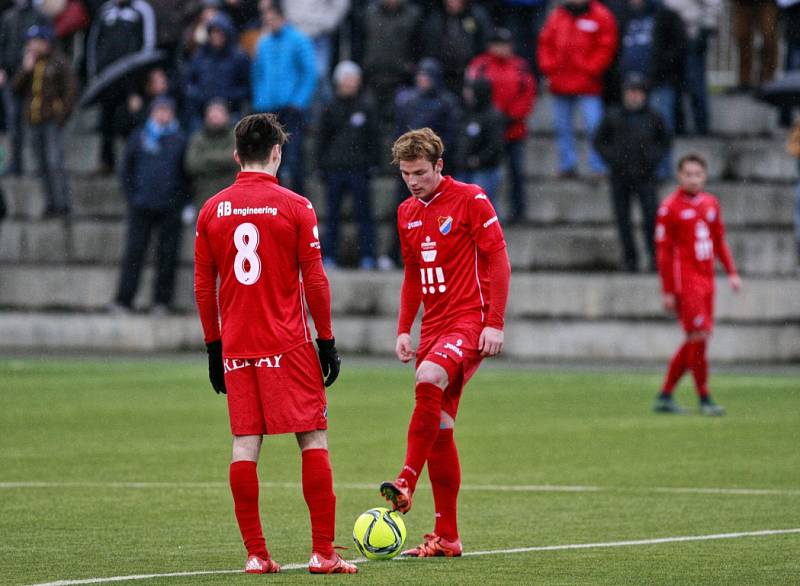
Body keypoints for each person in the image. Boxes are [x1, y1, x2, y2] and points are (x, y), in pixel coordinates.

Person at [193, 113, 356, 575]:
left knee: (245, 445)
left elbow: (204, 287)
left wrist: (213, 346)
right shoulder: (296, 206)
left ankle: (256, 554)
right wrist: (326, 341)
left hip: (238, 347)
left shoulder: (212, 210)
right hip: (288, 342)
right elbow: (316, 280)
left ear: (235, 156)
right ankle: (323, 553)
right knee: (312, 438)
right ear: (277, 153)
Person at [379, 128, 511, 557]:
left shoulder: (471, 199)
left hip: (469, 320)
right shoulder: (406, 213)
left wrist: (494, 322)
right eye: (405, 174)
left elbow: (498, 259)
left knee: (429, 374)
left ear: (439, 165)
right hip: (434, 326)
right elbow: (413, 275)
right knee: (440, 427)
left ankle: (405, 481)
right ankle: (447, 537)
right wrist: (404, 328)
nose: (413, 181)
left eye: (420, 172)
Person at [653, 153, 741, 416]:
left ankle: (665, 394)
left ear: (705, 176)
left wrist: (732, 272)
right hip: (685, 282)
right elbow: (664, 252)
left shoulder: (711, 203)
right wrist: (668, 290)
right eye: (688, 174)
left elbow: (719, 241)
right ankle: (704, 397)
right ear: (679, 176)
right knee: (699, 338)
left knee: (695, 340)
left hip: (706, 280)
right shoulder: (669, 208)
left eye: (697, 174)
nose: (693, 179)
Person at [114, 97, 188, 313]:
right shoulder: (139, 137)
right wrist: (132, 197)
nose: (163, 115)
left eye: (167, 111)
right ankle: (124, 300)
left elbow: (186, 174)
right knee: (134, 254)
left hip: (170, 207)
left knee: (167, 256)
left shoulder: (180, 139)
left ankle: (162, 301)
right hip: (141, 205)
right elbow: (126, 169)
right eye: (159, 110)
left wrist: (180, 202)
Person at [594, 73, 671, 271]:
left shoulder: (654, 117)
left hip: (646, 176)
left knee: (651, 219)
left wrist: (652, 160)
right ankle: (630, 260)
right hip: (620, 176)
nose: (634, 96)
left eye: (638, 92)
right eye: (631, 92)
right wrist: (613, 160)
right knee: (623, 221)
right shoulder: (613, 115)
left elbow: (665, 141)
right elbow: (599, 141)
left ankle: (654, 258)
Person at [537, 0, 618, 178]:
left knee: (594, 127)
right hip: (561, 82)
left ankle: (598, 166)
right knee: (562, 127)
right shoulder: (557, 15)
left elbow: (606, 46)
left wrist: (590, 69)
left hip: (588, 84)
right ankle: (567, 165)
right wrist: (550, 68)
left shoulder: (600, 15)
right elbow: (545, 43)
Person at [467, 27, 535, 222]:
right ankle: (484, 215)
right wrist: (493, 119)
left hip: (514, 128)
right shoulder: (480, 65)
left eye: (506, 44)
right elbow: (474, 94)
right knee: (487, 174)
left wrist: (512, 116)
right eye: (499, 44)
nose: (504, 48)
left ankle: (518, 212)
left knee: (516, 172)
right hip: (488, 132)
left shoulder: (519, 66)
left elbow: (528, 92)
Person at [317, 60, 379, 269]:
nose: (351, 84)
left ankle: (368, 256)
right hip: (335, 169)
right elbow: (321, 139)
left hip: (359, 169)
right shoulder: (330, 107)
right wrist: (322, 166)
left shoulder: (367, 106)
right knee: (332, 216)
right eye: (347, 79)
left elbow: (374, 139)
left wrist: (373, 163)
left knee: (364, 216)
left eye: (354, 80)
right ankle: (329, 255)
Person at [613, 0, 686, 177]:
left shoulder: (667, 15)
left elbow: (678, 47)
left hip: (659, 83)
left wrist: (658, 70)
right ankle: (634, 171)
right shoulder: (624, 15)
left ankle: (662, 170)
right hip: (629, 83)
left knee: (660, 127)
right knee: (631, 130)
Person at [12, 24, 77, 218]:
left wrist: (61, 113)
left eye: (35, 41)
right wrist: (25, 69)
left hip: (51, 121)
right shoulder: (29, 64)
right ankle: (50, 204)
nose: (31, 45)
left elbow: (71, 89)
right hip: (33, 119)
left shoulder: (59, 62)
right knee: (41, 165)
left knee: (54, 162)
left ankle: (63, 203)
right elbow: (15, 89)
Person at [251, 3, 316, 193]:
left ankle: (298, 202)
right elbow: (257, 74)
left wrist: (299, 101)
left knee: (294, 159)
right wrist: (259, 101)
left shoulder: (298, 40)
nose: (269, 22)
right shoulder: (263, 43)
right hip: (268, 110)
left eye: (272, 18)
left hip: (291, 109)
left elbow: (309, 73)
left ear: (282, 18)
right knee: (269, 160)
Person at [86, 0, 158, 173]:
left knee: (131, 121)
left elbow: (148, 45)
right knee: (106, 121)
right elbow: (94, 43)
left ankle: (134, 164)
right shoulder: (106, 10)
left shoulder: (142, 10)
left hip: (132, 80)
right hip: (108, 79)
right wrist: (96, 74)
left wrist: (138, 84)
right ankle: (106, 162)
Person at [0, 0, 48, 176]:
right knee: (14, 122)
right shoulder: (8, 17)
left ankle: (39, 164)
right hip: (13, 78)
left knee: (35, 122)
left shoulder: (39, 16)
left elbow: (49, 43)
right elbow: (3, 44)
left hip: (35, 78)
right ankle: (17, 163)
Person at [183, 12, 249, 132]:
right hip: (203, 112)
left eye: (220, 33)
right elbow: (189, 83)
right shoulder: (200, 55)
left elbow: (246, 86)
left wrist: (226, 99)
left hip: (231, 112)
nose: (216, 37)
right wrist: (201, 96)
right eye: (213, 33)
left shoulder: (238, 57)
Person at [663, 0, 720, 135]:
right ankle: (679, 126)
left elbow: (713, 4)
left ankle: (701, 126)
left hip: (692, 32)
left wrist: (707, 27)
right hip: (669, 32)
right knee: (674, 81)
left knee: (694, 81)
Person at [362, 0, 421, 123]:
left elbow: (419, 45)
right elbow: (360, 42)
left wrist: (410, 67)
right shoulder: (369, 12)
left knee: (398, 121)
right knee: (372, 120)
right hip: (373, 76)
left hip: (401, 79)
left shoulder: (413, 14)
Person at [418, 0, 493, 94]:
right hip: (442, 73)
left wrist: (475, 66)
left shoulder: (476, 15)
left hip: (468, 72)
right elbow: (427, 45)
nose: (454, 2)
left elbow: (484, 42)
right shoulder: (435, 18)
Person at [454, 77, 506, 207]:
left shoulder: (492, 116)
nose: (466, 94)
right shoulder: (466, 113)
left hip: (485, 170)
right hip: (464, 168)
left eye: (470, 90)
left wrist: (479, 159)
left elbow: (496, 145)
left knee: (483, 207)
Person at [185, 98, 238, 206]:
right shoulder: (197, 138)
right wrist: (222, 161)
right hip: (204, 198)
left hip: (231, 198)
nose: (215, 115)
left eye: (219, 112)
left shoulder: (235, 136)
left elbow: (235, 159)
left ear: (227, 115)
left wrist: (207, 158)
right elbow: (191, 164)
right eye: (212, 112)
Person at [730, 0, 779, 91]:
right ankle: (744, 80)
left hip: (767, 2)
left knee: (768, 36)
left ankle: (767, 79)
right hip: (742, 3)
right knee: (742, 36)